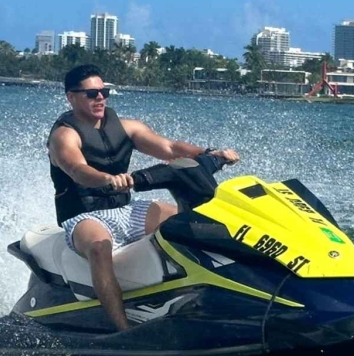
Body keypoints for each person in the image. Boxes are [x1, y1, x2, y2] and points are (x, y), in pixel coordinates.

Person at [48, 63, 239, 331]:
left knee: (196, 222)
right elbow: (77, 169)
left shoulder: (127, 127)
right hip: (84, 216)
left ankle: (217, 296)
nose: (100, 98)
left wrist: (210, 153)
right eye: (91, 94)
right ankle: (122, 329)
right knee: (99, 248)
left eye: (104, 92)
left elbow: (171, 149)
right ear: (71, 97)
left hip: (126, 209)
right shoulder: (63, 136)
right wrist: (106, 179)